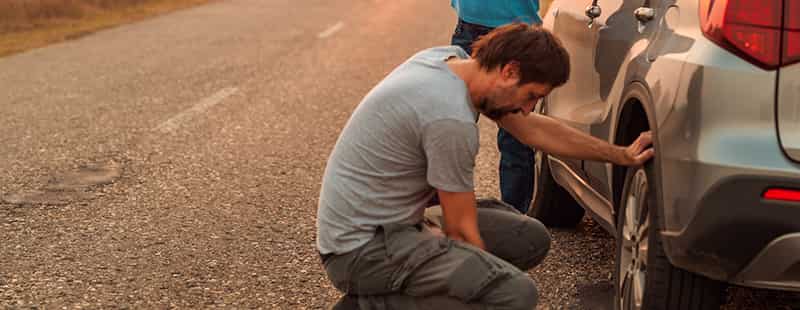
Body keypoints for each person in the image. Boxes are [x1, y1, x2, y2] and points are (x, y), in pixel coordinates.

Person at [317, 24, 654, 309]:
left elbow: (534, 128)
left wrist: (620, 154)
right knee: (514, 293)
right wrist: (478, 273)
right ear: (509, 71)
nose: (528, 108)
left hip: (391, 224)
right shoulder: (448, 119)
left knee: (528, 238)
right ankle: (370, 304)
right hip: (359, 249)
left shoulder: (449, 62)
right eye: (531, 95)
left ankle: (412, 280)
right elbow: (463, 233)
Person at [451, 0, 543, 214]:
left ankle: (513, 220)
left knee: (515, 136)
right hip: (469, 27)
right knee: (450, 124)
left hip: (519, 32)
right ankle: (442, 212)